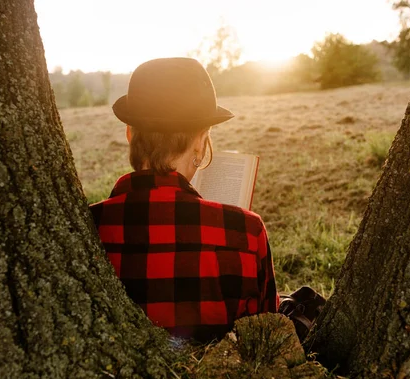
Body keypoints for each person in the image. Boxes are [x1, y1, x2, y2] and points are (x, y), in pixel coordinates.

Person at [89, 58, 279, 342]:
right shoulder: (247, 232)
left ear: (130, 135)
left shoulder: (87, 227)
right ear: (200, 144)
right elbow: (269, 333)